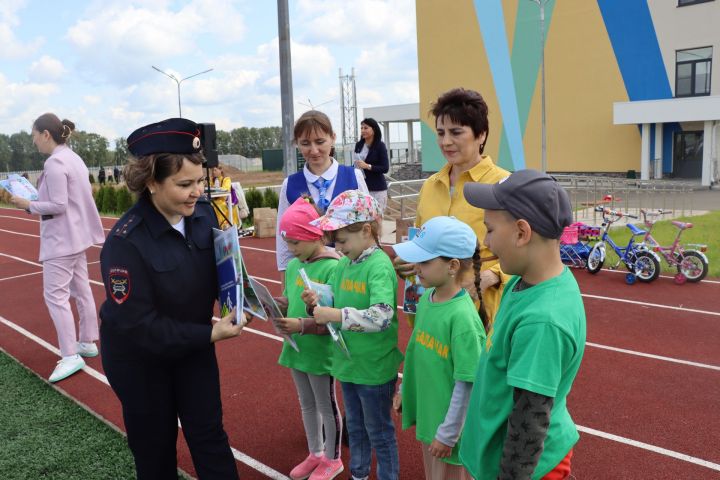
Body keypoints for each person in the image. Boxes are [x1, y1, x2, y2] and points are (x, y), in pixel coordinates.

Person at [98, 118, 246, 480]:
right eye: (184, 184)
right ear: (150, 181)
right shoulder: (125, 242)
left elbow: (222, 275)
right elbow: (138, 326)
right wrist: (209, 335)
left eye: (200, 181)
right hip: (141, 363)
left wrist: (249, 300)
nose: (197, 192)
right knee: (155, 451)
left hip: (192, 350)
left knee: (209, 437)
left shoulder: (203, 216)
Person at [459, 170, 586, 480]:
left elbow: (529, 425)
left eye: (489, 230)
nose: (485, 241)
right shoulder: (522, 280)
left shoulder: (543, 322)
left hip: (526, 467)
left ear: (521, 233)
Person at [302, 190, 404, 480]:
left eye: (343, 239)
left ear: (367, 230)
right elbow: (334, 296)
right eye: (335, 240)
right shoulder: (345, 263)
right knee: (356, 428)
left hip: (373, 368)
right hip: (348, 364)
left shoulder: (379, 266)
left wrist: (335, 315)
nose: (338, 246)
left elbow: (383, 315)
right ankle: (358, 474)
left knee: (379, 431)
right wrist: (317, 300)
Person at [393, 88, 510, 329]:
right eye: (440, 133)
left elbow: (527, 250)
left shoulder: (503, 184)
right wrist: (406, 262)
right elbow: (420, 240)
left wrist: (491, 277)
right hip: (432, 304)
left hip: (480, 308)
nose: (446, 142)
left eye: (456, 132)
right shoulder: (430, 185)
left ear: (481, 135)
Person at [9, 113, 105, 383]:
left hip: (61, 240)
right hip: (77, 237)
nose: (33, 141)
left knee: (56, 297)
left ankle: (70, 354)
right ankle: (86, 341)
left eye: (34, 135)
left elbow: (59, 205)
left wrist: (26, 204)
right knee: (82, 289)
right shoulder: (73, 158)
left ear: (46, 134)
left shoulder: (54, 163)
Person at [391, 216, 485, 480]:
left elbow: (467, 383)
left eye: (425, 262)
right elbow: (416, 354)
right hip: (433, 420)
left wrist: (448, 433)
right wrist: (403, 390)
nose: (417, 268)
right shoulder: (427, 301)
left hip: (451, 435)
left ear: (453, 266)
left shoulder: (463, 319)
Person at [274, 197, 344, 480]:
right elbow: (290, 300)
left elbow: (331, 316)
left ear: (314, 236)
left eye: (295, 243)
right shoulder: (293, 266)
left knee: (326, 404)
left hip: (319, 349)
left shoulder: (333, 267)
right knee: (306, 403)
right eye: (288, 243)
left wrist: (301, 324)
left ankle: (333, 457)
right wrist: (274, 304)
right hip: (296, 348)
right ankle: (315, 452)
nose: (290, 250)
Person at [276, 110, 369, 280]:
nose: (314, 150)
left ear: (333, 138)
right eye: (305, 143)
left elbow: (368, 226)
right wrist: (285, 284)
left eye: (320, 141)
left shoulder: (353, 177)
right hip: (309, 276)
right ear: (297, 143)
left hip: (350, 273)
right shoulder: (290, 185)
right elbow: (283, 238)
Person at [352, 118, 389, 212]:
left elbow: (385, 168)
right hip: (361, 187)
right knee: (363, 216)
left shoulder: (380, 146)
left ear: (374, 129)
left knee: (377, 217)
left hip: (377, 188)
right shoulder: (358, 145)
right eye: (361, 128)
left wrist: (368, 166)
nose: (363, 130)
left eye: (366, 128)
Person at [210, 164, 239, 229]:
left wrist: (216, 188)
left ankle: (222, 225)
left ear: (221, 170)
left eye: (215, 170)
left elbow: (226, 189)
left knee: (219, 205)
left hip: (225, 200)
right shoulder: (212, 180)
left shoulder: (226, 179)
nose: (213, 172)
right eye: (212, 170)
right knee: (209, 205)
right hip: (214, 200)